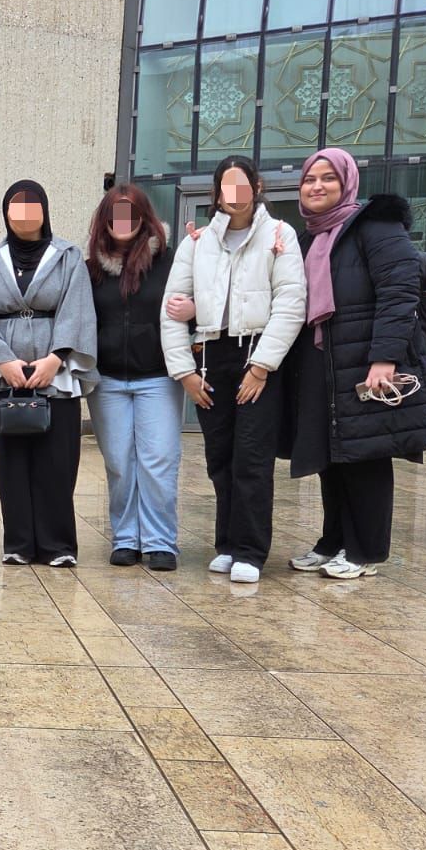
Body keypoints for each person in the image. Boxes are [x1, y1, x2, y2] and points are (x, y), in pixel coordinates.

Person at [285, 146, 426, 579]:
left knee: (366, 457)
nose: (317, 186)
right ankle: (332, 541)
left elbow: (399, 294)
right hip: (322, 362)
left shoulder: (376, 227)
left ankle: (365, 552)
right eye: (309, 179)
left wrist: (384, 358)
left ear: (347, 182)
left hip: (365, 362)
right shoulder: (308, 238)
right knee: (332, 457)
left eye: (328, 178)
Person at [160, 155, 306, 584]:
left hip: (256, 356)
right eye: (227, 186)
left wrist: (261, 367)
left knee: (252, 457)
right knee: (219, 457)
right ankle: (226, 543)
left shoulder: (280, 234)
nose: (235, 195)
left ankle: (250, 550)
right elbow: (172, 308)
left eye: (243, 185)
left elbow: (291, 303)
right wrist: (185, 372)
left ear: (257, 187)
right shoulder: (197, 242)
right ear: (217, 192)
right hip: (210, 358)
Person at [0, 180, 99, 566]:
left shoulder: (68, 257)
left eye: (31, 206)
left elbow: (77, 309)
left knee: (57, 460)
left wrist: (55, 359)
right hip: (4, 375)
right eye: (16, 207)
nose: (23, 214)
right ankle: (19, 543)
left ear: (45, 210)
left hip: (57, 373)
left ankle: (58, 545)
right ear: (5, 213)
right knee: (12, 461)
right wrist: (3, 361)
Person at [84, 184, 181, 571]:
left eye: (130, 213)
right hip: (107, 381)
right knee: (119, 463)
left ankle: (160, 542)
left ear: (144, 217)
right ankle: (126, 538)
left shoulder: (169, 261)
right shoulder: (91, 267)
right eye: (114, 214)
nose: (122, 222)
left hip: (158, 377)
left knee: (158, 461)